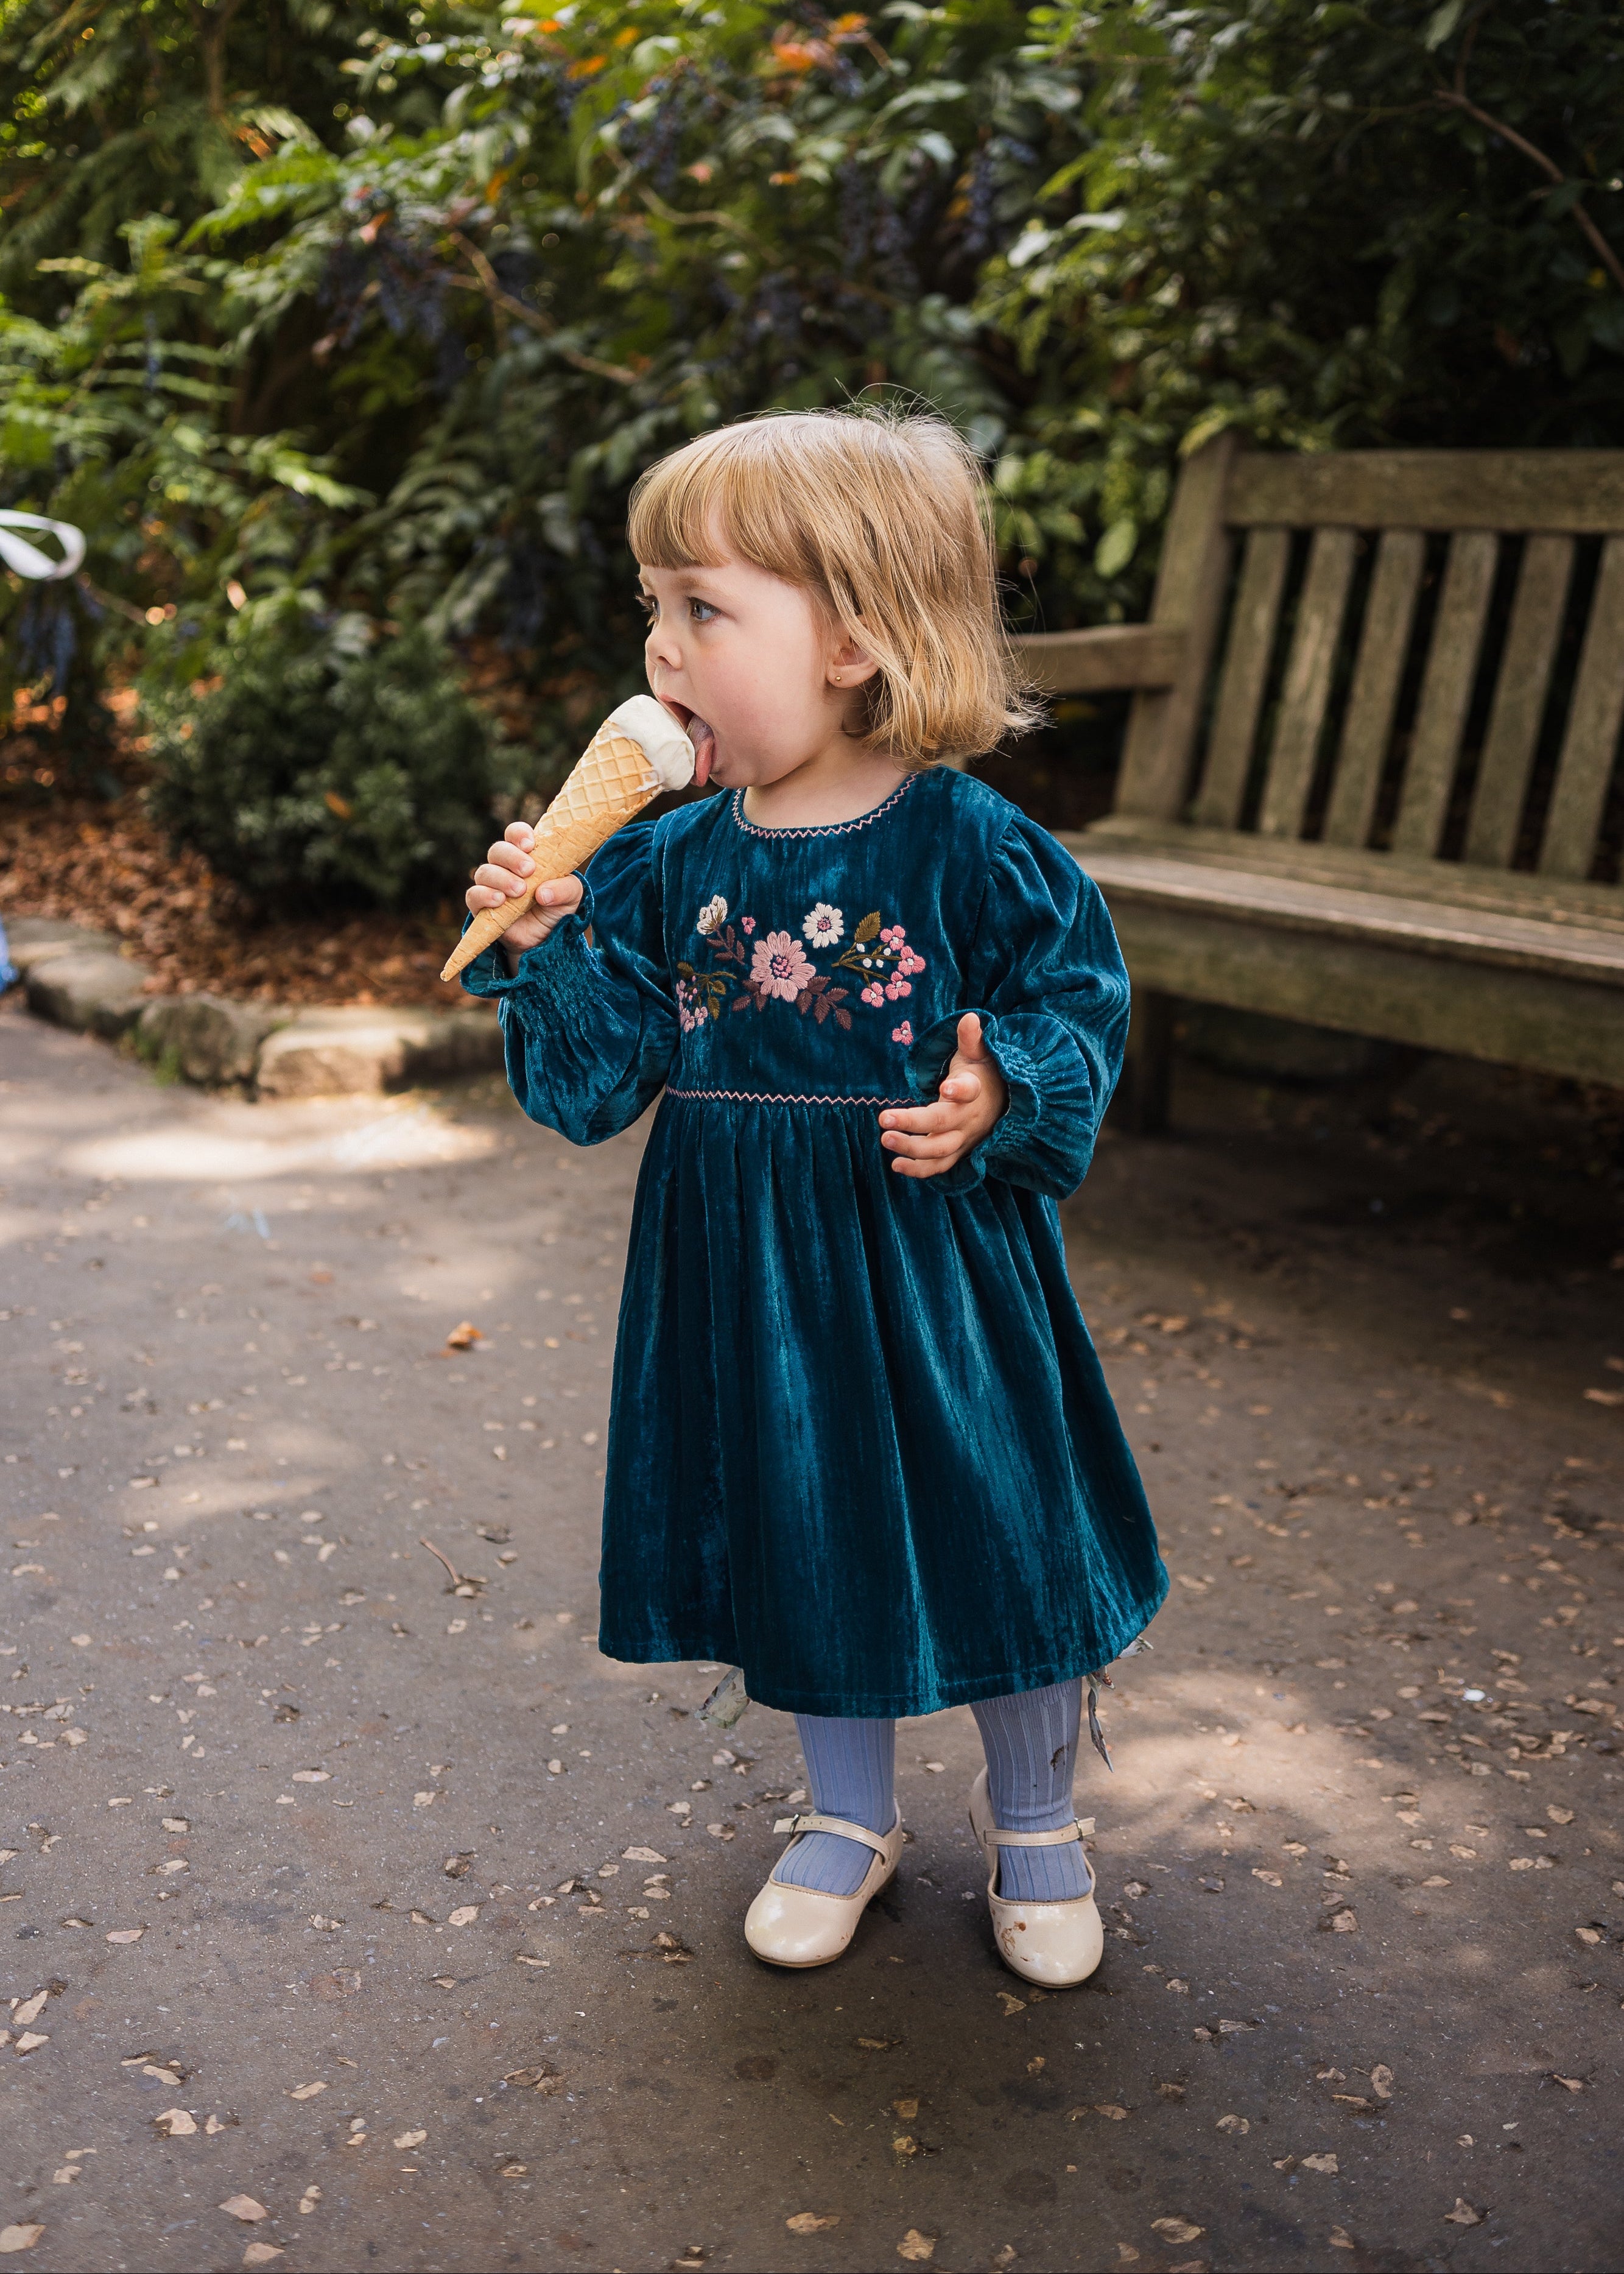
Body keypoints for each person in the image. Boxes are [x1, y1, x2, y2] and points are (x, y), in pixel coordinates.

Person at [458, 407, 1167, 1986]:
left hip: (932, 1262)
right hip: (749, 1278)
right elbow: (598, 1081)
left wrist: (1001, 1093)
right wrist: (546, 949)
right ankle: (848, 1815)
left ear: (853, 640)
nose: (660, 648)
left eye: (703, 608)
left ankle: (1035, 1817)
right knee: (805, 1525)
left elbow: (1077, 1003)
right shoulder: (662, 863)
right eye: (651, 606)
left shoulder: (969, 846)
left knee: (1001, 1524)